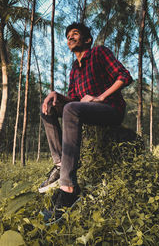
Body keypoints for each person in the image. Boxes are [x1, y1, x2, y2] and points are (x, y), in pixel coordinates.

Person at [39, 22, 133, 222]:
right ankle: (59, 163)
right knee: (47, 108)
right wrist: (55, 95)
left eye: (75, 34)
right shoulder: (74, 69)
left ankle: (69, 189)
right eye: (68, 36)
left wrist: (100, 97)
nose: (70, 38)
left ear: (87, 39)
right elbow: (73, 101)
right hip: (86, 110)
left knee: (71, 109)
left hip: (111, 110)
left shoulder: (99, 52)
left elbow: (125, 76)